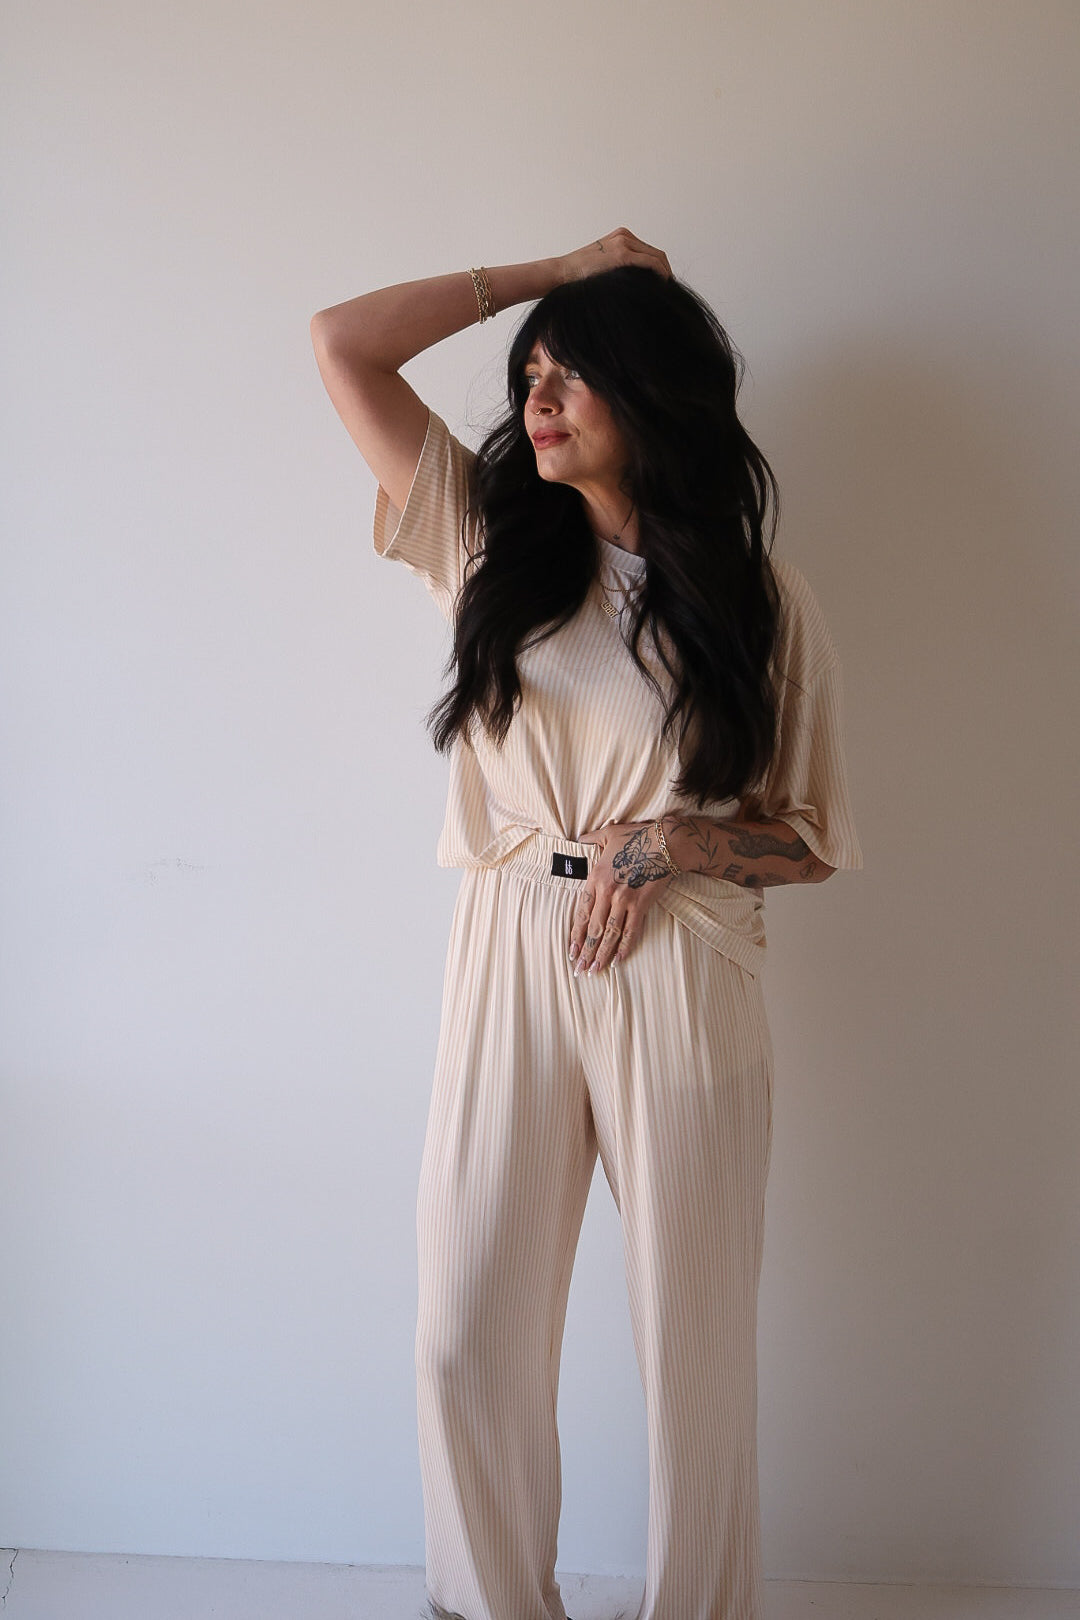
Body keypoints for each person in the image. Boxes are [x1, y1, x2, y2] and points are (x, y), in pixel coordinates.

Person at [310, 228, 862, 1620]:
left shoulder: (760, 603)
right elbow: (343, 344)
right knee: (463, 1331)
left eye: (573, 377)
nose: (538, 402)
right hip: (510, 942)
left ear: (655, 397)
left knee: (693, 1343)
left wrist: (679, 839)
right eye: (531, 377)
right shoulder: (485, 544)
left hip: (683, 957)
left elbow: (812, 837)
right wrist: (554, 269)